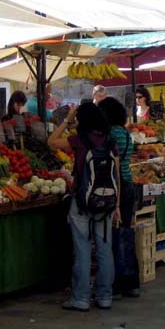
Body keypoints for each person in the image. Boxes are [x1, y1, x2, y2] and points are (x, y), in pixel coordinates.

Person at [48, 102, 119, 311]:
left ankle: (81, 298)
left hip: (81, 203)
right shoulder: (109, 140)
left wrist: (66, 120)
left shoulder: (79, 140)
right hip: (106, 202)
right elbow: (116, 175)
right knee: (105, 250)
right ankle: (105, 296)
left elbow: (51, 142)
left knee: (83, 250)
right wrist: (117, 205)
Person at [98, 96, 140, 298]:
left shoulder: (109, 134)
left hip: (115, 186)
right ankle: (131, 281)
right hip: (129, 184)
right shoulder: (125, 133)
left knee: (114, 235)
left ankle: (117, 284)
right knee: (127, 233)